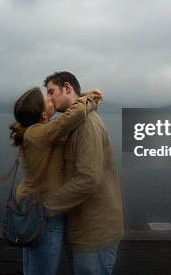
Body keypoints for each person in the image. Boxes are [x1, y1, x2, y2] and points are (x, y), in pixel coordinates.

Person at [9, 86, 103, 275]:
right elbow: (69, 119)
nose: (52, 100)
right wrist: (91, 99)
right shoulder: (39, 134)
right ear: (44, 114)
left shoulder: (35, 130)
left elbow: (65, 119)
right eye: (49, 100)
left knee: (33, 267)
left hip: (33, 208)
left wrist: (80, 97)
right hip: (44, 213)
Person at [43, 71, 124, 275]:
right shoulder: (75, 121)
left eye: (51, 92)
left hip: (93, 234)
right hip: (83, 230)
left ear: (67, 88)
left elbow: (88, 178)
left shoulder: (85, 124)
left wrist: (47, 205)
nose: (49, 98)